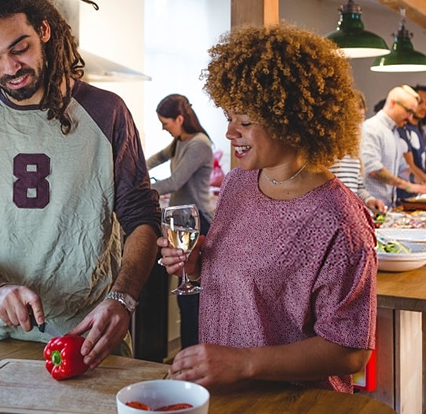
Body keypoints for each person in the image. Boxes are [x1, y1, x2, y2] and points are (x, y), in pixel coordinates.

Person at [0, 0, 161, 369]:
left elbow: (142, 216)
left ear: (44, 30)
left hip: (91, 332)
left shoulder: (106, 112)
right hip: (0, 337)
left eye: (20, 48)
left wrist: (123, 298)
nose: (9, 67)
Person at [158, 24, 377, 393]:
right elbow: (243, 281)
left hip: (293, 402)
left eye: (244, 121)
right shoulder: (238, 184)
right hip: (225, 397)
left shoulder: (339, 221)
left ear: (290, 121)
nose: (230, 132)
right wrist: (197, 265)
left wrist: (244, 363)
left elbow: (350, 352)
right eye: (228, 117)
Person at [146, 94, 215, 348]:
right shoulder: (179, 141)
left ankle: (194, 353)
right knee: (185, 297)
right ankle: (188, 355)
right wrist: (132, 169)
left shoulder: (199, 144)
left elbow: (175, 182)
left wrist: (142, 188)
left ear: (180, 118)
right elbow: (156, 159)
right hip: (181, 223)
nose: (164, 128)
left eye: (166, 123)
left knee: (192, 299)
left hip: (198, 223)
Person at [361, 85, 426, 206]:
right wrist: (410, 187)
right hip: (371, 207)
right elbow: (374, 170)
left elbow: (403, 168)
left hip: (388, 207)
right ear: (393, 103)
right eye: (408, 111)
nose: (410, 118)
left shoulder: (394, 132)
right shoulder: (372, 129)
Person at [329, 90, 387, 213]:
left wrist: (370, 200)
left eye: (361, 118)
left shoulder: (354, 148)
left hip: (349, 215)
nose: (357, 124)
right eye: (354, 117)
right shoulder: (327, 148)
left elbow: (358, 187)